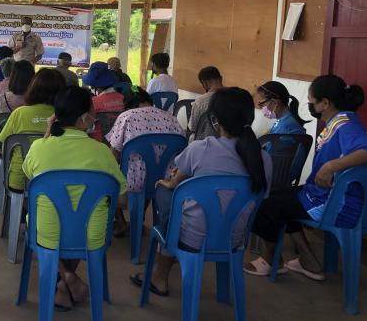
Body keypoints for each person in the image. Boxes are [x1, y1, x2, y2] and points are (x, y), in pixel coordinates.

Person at [131, 87, 272, 294]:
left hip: (192, 237)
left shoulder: (200, 148)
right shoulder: (263, 159)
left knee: (165, 192)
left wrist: (168, 183)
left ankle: (160, 273)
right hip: (234, 238)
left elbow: (175, 180)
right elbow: (261, 198)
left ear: (214, 120)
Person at [245, 75, 367, 280]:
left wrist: (331, 166)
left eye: (311, 101)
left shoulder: (345, 125)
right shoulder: (340, 121)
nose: (308, 105)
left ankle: (271, 259)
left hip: (334, 204)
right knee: (275, 197)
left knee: (264, 204)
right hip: (323, 195)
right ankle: (307, 260)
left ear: (325, 103)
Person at [22, 86, 127, 310]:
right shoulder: (101, 152)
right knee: (81, 217)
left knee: (46, 221)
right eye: (93, 112)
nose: (95, 117)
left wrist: (47, 135)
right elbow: (122, 201)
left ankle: (65, 279)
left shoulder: (39, 147)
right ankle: (68, 278)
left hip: (47, 232)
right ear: (83, 118)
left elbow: (30, 175)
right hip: (92, 235)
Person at [106, 88, 184, 236]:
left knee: (109, 176)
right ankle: (138, 219)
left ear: (128, 105)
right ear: (149, 102)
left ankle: (123, 223)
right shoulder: (171, 118)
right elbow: (182, 151)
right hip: (166, 180)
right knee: (148, 174)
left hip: (133, 181)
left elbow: (113, 154)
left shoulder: (126, 116)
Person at [0, 68, 66, 192]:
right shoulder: (64, 117)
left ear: (33, 88)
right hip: (54, 180)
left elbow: (4, 144)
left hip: (19, 179)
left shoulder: (19, 113)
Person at [83, 61, 125, 142]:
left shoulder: (92, 103)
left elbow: (86, 127)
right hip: (120, 143)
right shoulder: (124, 99)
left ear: (93, 86)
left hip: (98, 143)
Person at [187, 66, 223, 139]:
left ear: (204, 83)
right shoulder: (234, 96)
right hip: (229, 142)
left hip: (206, 141)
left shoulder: (200, 101)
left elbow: (193, 127)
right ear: (221, 78)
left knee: (192, 136)